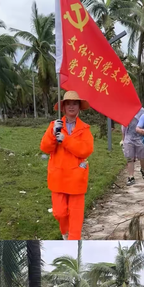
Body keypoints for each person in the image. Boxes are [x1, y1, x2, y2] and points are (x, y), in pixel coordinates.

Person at [40, 91, 94, 240]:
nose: (71, 106)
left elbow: (85, 150)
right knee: (59, 212)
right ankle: (65, 231)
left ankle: (73, 240)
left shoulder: (85, 129)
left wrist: (66, 140)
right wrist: (52, 133)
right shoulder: (54, 125)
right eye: (68, 103)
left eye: (74, 103)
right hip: (58, 177)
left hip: (76, 176)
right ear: (63, 107)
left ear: (79, 107)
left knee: (76, 217)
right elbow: (45, 148)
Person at [121, 107, 144, 186]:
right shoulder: (126, 110)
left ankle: (143, 169)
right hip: (129, 138)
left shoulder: (143, 112)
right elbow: (123, 126)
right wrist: (123, 140)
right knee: (130, 158)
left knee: (142, 157)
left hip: (140, 138)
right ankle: (131, 177)